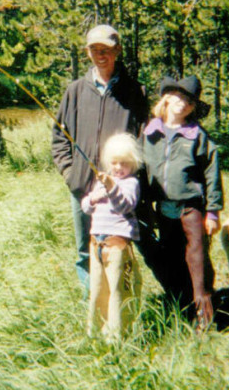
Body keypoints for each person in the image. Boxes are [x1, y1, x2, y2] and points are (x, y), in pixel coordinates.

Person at [51, 24, 148, 293]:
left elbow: (143, 140)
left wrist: (130, 179)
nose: (100, 55)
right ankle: (93, 307)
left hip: (120, 188)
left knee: (121, 248)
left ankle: (121, 306)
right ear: (87, 52)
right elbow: (59, 137)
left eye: (106, 49)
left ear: (117, 51)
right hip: (83, 187)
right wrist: (70, 174)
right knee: (85, 251)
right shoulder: (75, 91)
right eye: (95, 49)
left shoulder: (134, 92)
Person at [141, 75, 223, 331]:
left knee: (197, 258)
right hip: (163, 208)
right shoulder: (150, 132)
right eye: (178, 96)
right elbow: (141, 169)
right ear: (167, 98)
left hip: (191, 207)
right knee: (172, 256)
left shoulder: (197, 135)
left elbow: (212, 173)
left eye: (189, 100)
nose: (182, 103)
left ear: (193, 107)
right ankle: (180, 305)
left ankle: (204, 315)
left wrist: (212, 211)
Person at [81, 133, 142, 342]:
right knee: (98, 289)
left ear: (132, 163)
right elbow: (86, 208)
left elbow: (124, 205)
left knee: (118, 289)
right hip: (97, 242)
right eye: (114, 163)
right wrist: (93, 198)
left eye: (123, 163)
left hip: (117, 245)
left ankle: (118, 335)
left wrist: (111, 187)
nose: (118, 168)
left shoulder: (130, 183)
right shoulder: (102, 182)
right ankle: (96, 331)